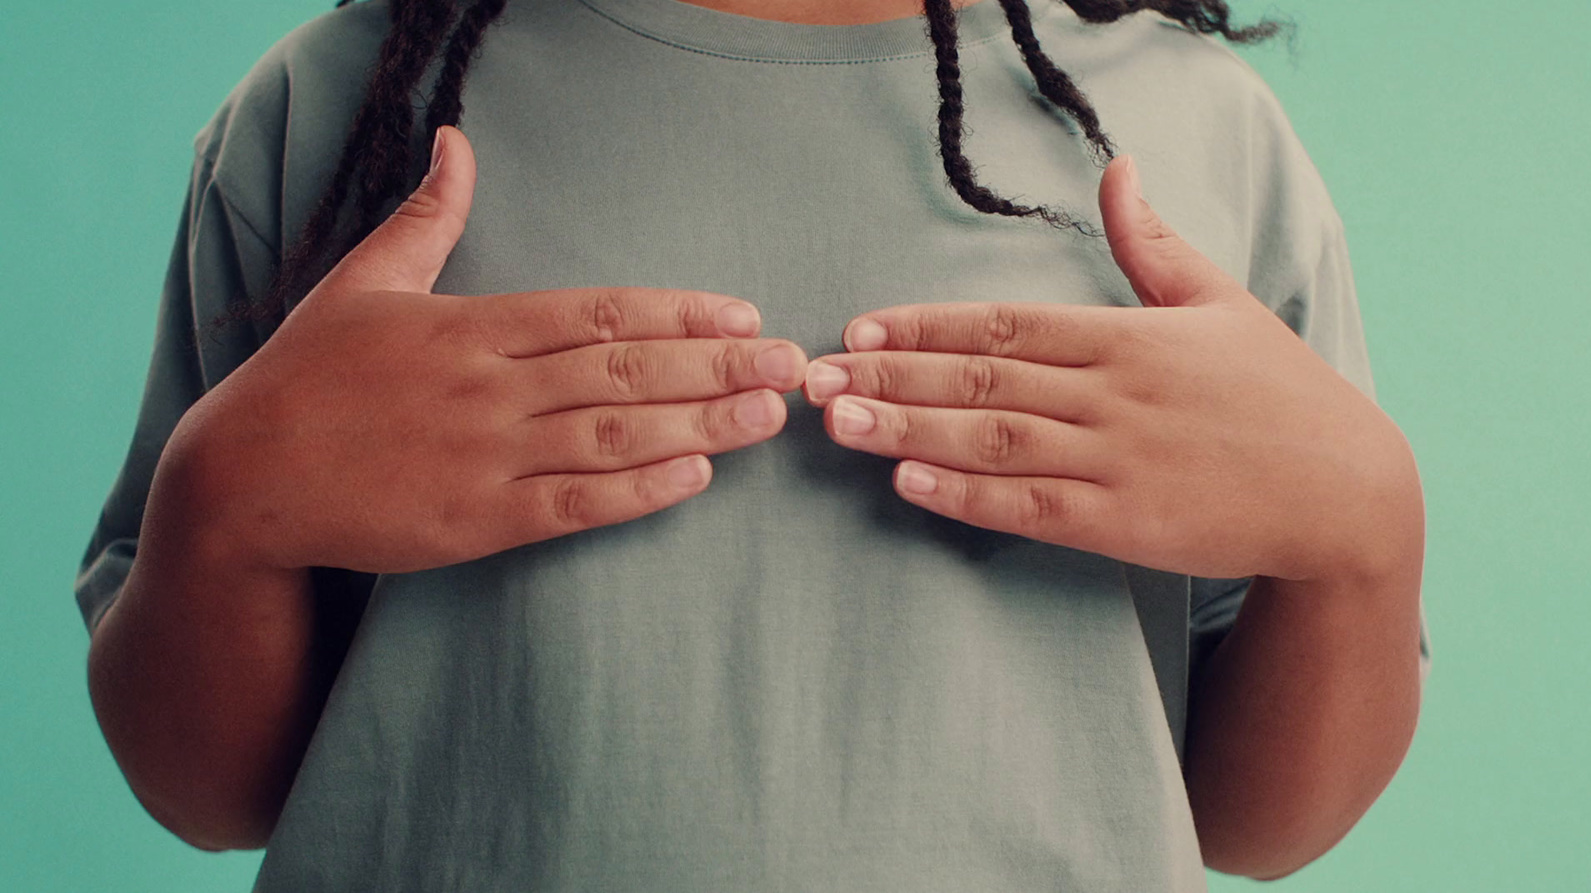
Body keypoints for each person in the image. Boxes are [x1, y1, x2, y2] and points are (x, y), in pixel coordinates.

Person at [76, 0, 1430, 889]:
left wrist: (1368, 533)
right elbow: (213, 790)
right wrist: (224, 506)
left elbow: (1259, 823)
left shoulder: (1198, 132)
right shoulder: (342, 108)